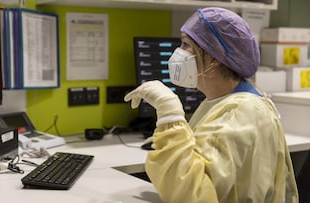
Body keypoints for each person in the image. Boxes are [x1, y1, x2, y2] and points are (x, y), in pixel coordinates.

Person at [124, 7, 298, 203]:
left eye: (185, 43)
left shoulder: (239, 112)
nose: (178, 52)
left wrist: (169, 113)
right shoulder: (224, 100)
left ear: (214, 56)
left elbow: (191, 194)